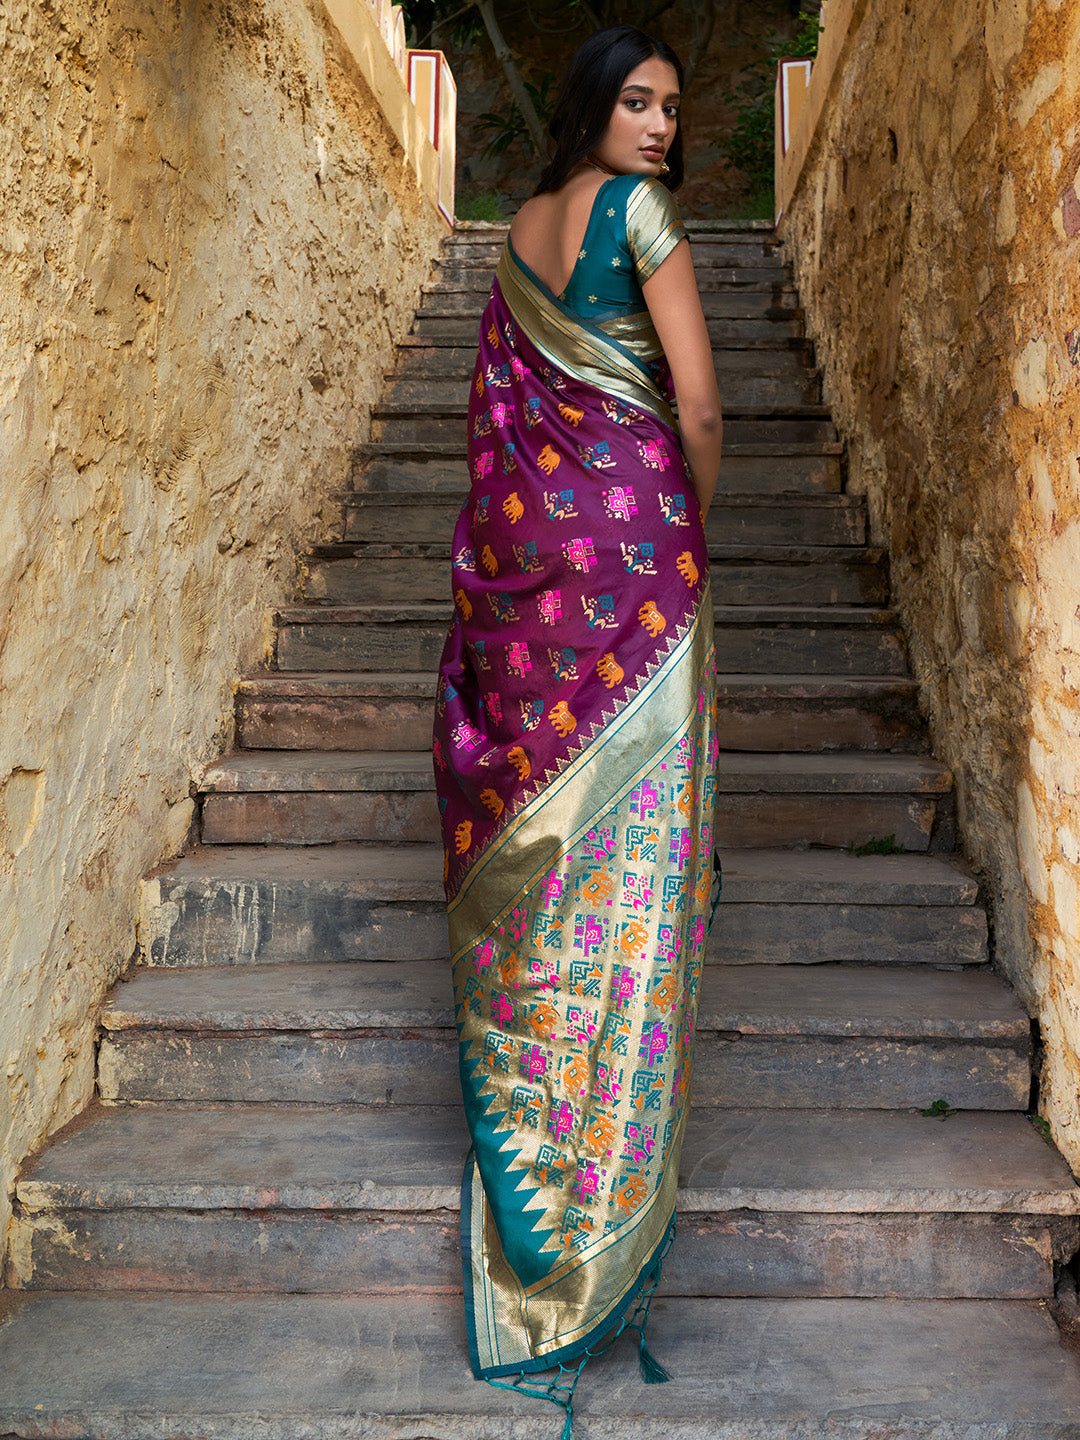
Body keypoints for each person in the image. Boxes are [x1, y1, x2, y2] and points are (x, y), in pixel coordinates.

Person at [432, 24, 722, 1435]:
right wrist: (684, 531)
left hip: (529, 572)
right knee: (638, 857)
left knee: (545, 845)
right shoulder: (639, 216)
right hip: (634, 569)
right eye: (638, 100)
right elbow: (703, 402)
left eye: (670, 109)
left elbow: (493, 435)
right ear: (593, 107)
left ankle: (526, 1144)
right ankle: (585, 1200)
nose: (660, 126)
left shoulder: (514, 238)